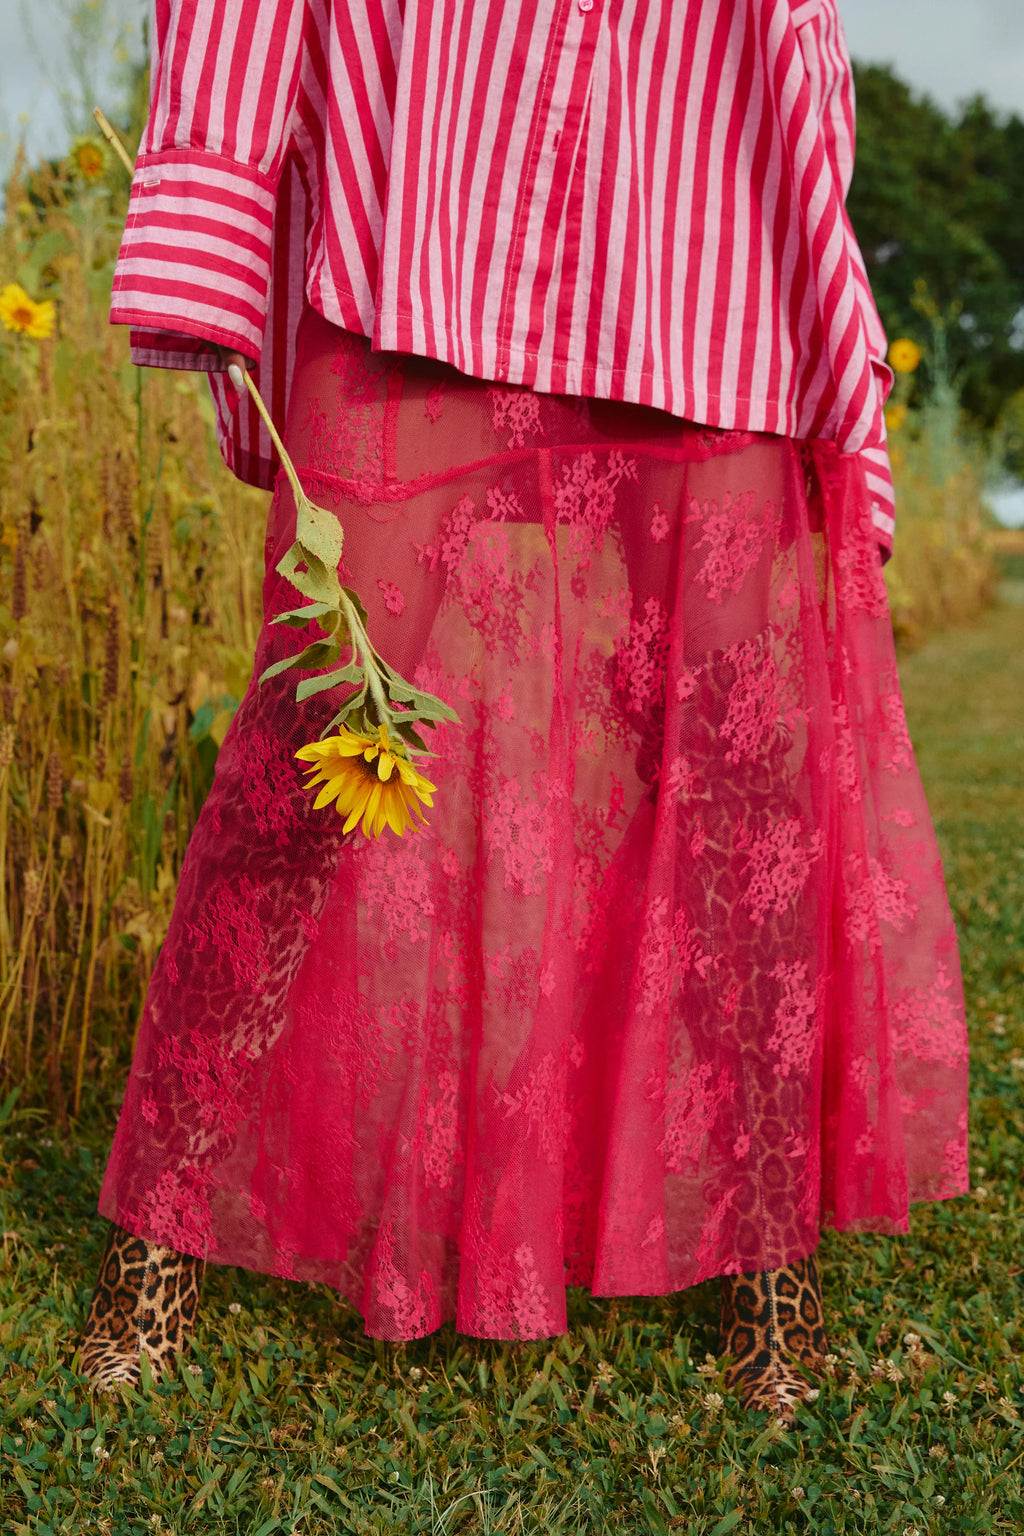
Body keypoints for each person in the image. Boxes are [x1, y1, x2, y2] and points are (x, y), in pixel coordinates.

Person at [78, 0, 969, 1421]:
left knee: (737, 777)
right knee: (313, 744)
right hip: (417, 200)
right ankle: (160, 1236)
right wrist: (218, 212)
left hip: (705, 226)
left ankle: (764, 1261)